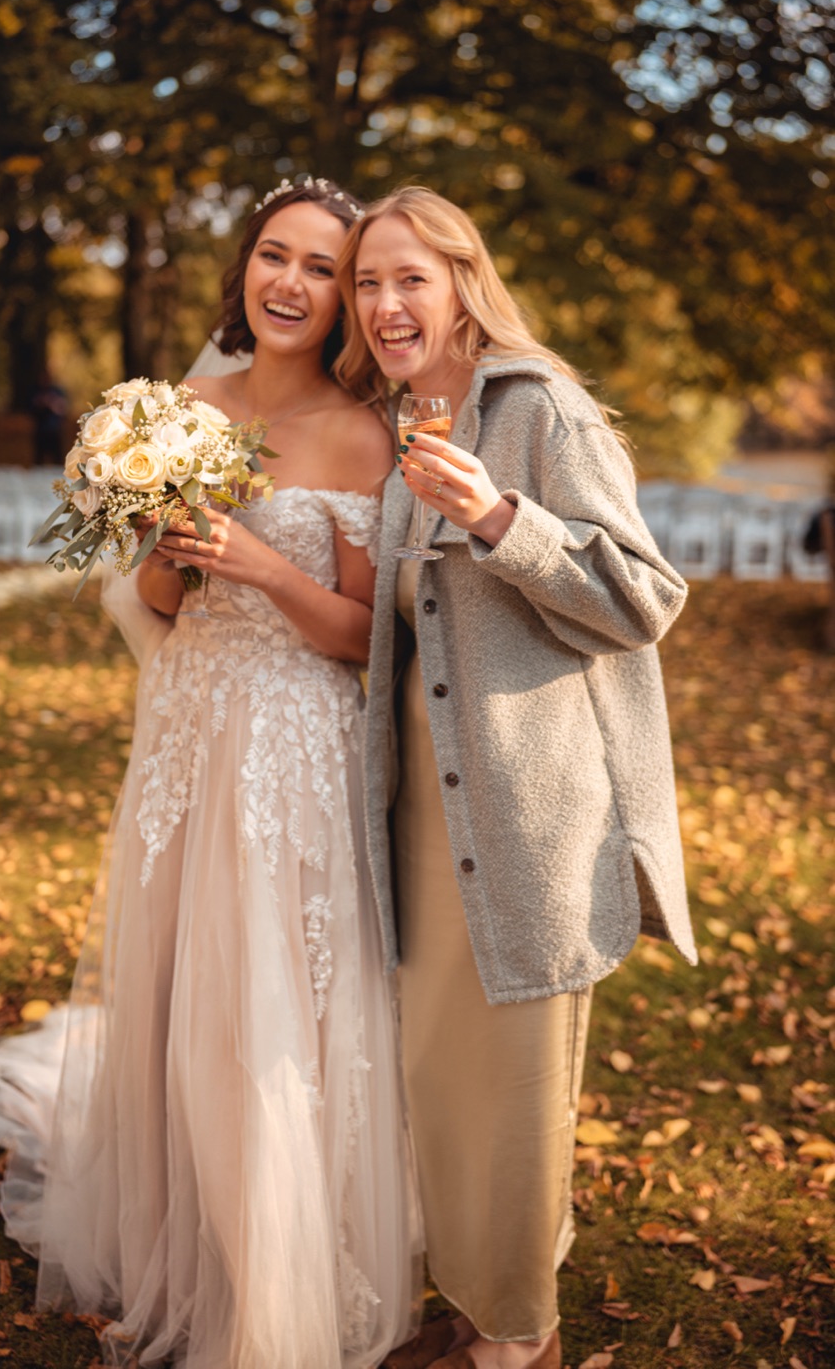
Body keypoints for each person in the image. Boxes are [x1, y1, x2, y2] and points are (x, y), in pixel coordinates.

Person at [0, 180, 419, 1369]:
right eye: (272, 257)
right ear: (242, 269)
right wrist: (181, 543)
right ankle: (172, 1231)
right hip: (189, 721)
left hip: (292, 737)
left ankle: (273, 1276)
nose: (289, 284)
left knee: (265, 999)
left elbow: (363, 637)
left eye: (319, 269)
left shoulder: (362, 431)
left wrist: (259, 557)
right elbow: (150, 597)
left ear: (345, 296)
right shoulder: (178, 406)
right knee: (173, 982)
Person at [334, 187, 698, 1369]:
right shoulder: (400, 420)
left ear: (460, 281)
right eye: (367, 283)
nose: (386, 304)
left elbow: (645, 599)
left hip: (528, 817)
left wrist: (500, 517)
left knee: (519, 1093)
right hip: (421, 814)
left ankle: (519, 1340)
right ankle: (471, 1300)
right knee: (439, 1070)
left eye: (408, 279)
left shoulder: (539, 407)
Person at [28, 366, 69, 466]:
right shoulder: (35, 391)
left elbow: (63, 409)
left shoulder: (57, 391)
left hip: (54, 431)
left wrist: (52, 404)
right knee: (39, 460)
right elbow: (30, 409)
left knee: (57, 460)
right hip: (40, 431)